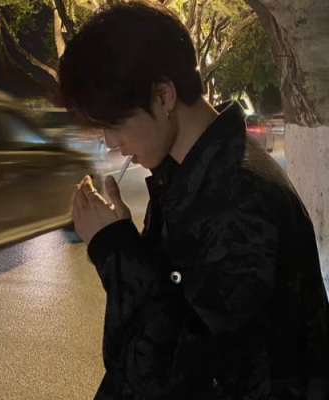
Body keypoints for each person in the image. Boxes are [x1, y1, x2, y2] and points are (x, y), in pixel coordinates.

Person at [58, 2, 329, 399]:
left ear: (163, 95)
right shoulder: (186, 176)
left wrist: (114, 249)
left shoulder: (241, 199)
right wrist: (124, 245)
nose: (111, 143)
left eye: (114, 124)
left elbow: (171, 375)